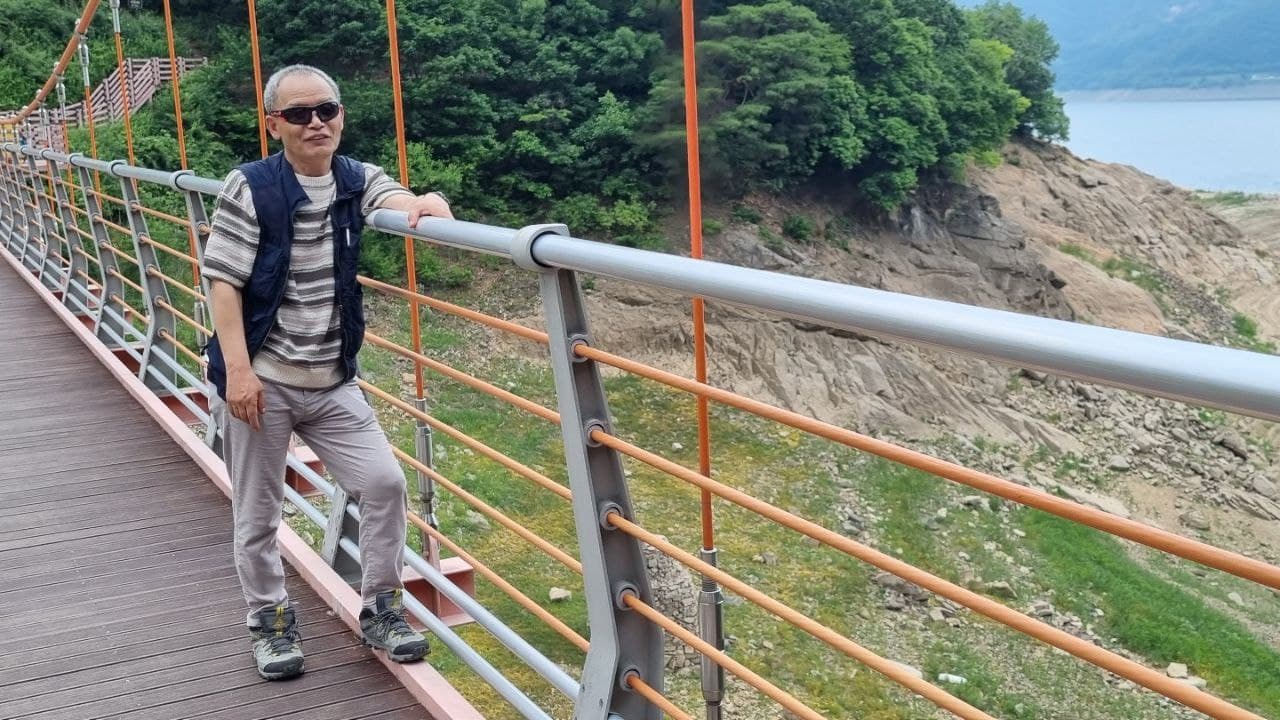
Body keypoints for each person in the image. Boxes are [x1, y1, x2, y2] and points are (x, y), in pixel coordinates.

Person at [201, 64, 453, 681]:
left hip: (332, 378)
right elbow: (223, 282)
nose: (314, 122)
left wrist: (422, 202)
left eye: (326, 110)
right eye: (297, 114)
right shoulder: (249, 186)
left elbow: (392, 197)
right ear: (273, 125)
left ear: (341, 115)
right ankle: (269, 621)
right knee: (258, 513)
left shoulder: (354, 178)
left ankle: (382, 609)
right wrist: (239, 373)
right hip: (263, 378)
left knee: (385, 484)